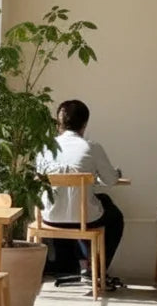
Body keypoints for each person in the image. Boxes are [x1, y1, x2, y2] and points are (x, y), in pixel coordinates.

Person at [38, 99, 125, 289]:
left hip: (48, 217)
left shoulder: (45, 147)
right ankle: (95, 269)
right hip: (83, 219)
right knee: (114, 216)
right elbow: (110, 180)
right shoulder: (91, 148)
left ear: (59, 123)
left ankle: (74, 266)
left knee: (90, 203)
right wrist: (115, 173)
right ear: (85, 124)